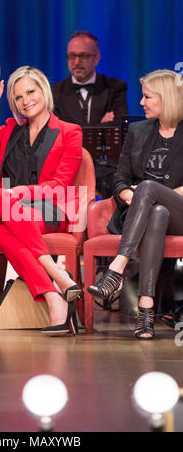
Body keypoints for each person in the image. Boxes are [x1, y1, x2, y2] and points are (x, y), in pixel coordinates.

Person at [0, 63, 83, 336]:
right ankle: (56, 276)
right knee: (0, 203)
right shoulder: (10, 130)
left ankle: (53, 297)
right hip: (7, 209)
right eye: (18, 97)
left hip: (48, 211)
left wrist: (14, 193)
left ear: (44, 91)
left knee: (6, 228)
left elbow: (59, 186)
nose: (25, 100)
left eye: (30, 92)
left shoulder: (69, 132)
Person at [87, 69, 183, 340]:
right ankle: (146, 311)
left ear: (167, 98)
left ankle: (116, 269)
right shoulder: (138, 130)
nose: (141, 103)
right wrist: (131, 196)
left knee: (151, 190)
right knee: (157, 211)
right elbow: (120, 178)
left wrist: (147, 192)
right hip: (145, 213)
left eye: (147, 97)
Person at [51, 31, 128, 198]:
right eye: (72, 56)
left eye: (83, 56)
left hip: (106, 166)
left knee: (126, 189)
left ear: (97, 58)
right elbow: (56, 133)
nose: (76, 62)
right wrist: (101, 126)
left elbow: (119, 127)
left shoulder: (115, 87)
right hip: (69, 164)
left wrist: (75, 131)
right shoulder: (54, 92)